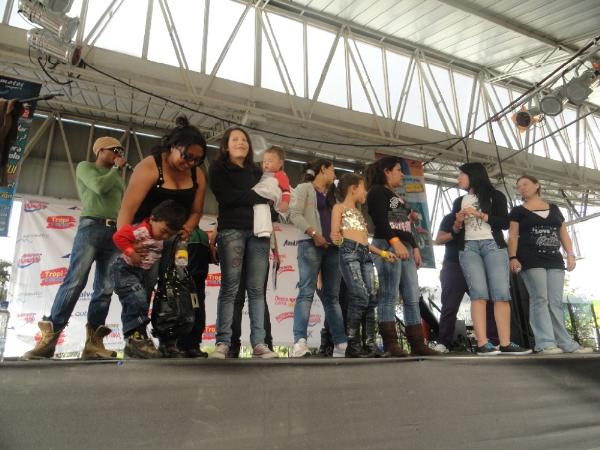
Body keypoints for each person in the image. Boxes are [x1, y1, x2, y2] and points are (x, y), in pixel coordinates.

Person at [22, 136, 127, 360]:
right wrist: (116, 170)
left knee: (105, 288)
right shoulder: (86, 167)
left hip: (114, 232)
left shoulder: (117, 177)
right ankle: (49, 341)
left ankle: (94, 344)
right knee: (75, 281)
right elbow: (99, 187)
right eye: (114, 150)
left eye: (120, 151)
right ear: (100, 151)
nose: (119, 154)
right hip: (91, 226)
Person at [117, 116, 207, 356]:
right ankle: (136, 338)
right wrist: (127, 245)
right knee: (144, 287)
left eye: (197, 160)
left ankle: (169, 340)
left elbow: (197, 210)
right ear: (173, 146)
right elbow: (127, 209)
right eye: (187, 156)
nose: (190, 163)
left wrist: (188, 227)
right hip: (144, 238)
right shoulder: (150, 166)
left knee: (174, 288)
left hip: (176, 241)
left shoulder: (197, 174)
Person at [208, 127, 277, 359]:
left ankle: (259, 343)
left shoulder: (257, 170)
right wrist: (256, 196)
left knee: (257, 290)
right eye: (235, 139)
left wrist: (252, 196)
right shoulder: (218, 168)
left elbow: (271, 195)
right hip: (231, 231)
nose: (241, 143)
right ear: (226, 145)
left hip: (259, 233)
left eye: (244, 140)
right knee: (230, 288)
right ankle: (223, 342)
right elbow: (227, 197)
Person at [452, 162, 531, 356]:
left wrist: (480, 214)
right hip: (468, 248)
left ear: (473, 175)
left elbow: (504, 223)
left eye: (461, 175)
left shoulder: (496, 196)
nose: (458, 178)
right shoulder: (459, 201)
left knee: (501, 293)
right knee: (478, 293)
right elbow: (454, 232)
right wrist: (458, 222)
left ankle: (505, 343)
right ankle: (482, 343)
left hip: (493, 246)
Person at [508, 175, 593, 354]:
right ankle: (545, 343)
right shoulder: (518, 211)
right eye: (519, 186)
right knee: (539, 299)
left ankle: (565, 342)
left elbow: (563, 233)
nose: (522, 188)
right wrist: (513, 257)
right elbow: (513, 236)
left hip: (554, 259)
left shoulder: (554, 209)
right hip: (530, 259)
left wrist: (570, 254)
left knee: (555, 301)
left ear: (537, 185)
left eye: (525, 184)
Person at [366, 156, 438, 356]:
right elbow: (380, 221)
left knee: (412, 296)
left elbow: (405, 226)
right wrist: (395, 242)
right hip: (387, 244)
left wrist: (414, 246)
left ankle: (418, 344)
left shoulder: (395, 195)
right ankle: (391, 344)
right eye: (398, 170)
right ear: (387, 171)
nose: (403, 174)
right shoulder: (377, 191)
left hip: (404, 246)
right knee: (388, 294)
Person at [112, 200, 187, 358]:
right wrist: (131, 253)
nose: (165, 236)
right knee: (138, 299)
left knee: (139, 302)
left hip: (140, 273)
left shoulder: (159, 234)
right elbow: (118, 237)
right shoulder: (141, 231)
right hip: (125, 271)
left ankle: (134, 339)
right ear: (152, 219)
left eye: (169, 235)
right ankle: (135, 336)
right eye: (164, 231)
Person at [331, 173, 395, 357]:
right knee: (360, 296)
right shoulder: (339, 207)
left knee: (371, 299)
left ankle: (370, 345)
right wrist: (339, 241)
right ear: (353, 189)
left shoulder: (359, 213)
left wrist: (383, 253)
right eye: (363, 188)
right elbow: (334, 234)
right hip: (349, 252)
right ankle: (353, 345)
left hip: (365, 254)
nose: (366, 192)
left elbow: (366, 243)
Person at [289, 159, 347, 358]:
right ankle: (300, 342)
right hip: (310, 244)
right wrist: (314, 233)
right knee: (306, 292)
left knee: (332, 297)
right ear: (323, 169)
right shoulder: (304, 188)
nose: (335, 175)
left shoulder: (333, 195)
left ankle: (341, 344)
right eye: (333, 170)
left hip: (333, 248)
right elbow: (294, 214)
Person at [433, 213, 499, 354]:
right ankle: (443, 342)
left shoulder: (482, 217)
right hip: (454, 265)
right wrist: (454, 231)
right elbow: (438, 240)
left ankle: (493, 341)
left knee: (486, 303)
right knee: (450, 305)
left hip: (477, 266)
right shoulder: (451, 217)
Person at [252, 145, 291, 237]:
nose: (266, 164)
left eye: (270, 161)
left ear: (280, 163)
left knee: (262, 208)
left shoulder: (280, 175)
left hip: (271, 202)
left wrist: (285, 201)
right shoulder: (263, 174)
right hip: (262, 198)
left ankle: (264, 230)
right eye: (264, 161)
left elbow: (286, 190)